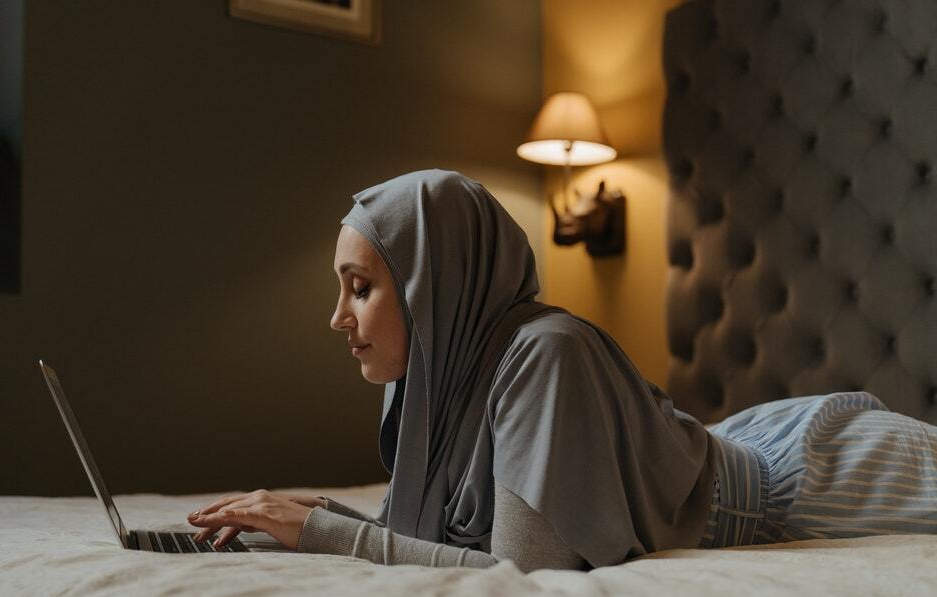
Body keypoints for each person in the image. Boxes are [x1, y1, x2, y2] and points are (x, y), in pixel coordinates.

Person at [188, 169, 937, 572]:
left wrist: (321, 531)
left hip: (827, 476)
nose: (337, 317)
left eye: (360, 287)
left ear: (432, 288)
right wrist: (293, 513)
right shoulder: (443, 380)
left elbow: (519, 571)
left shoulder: (545, 353)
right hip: (742, 441)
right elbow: (430, 532)